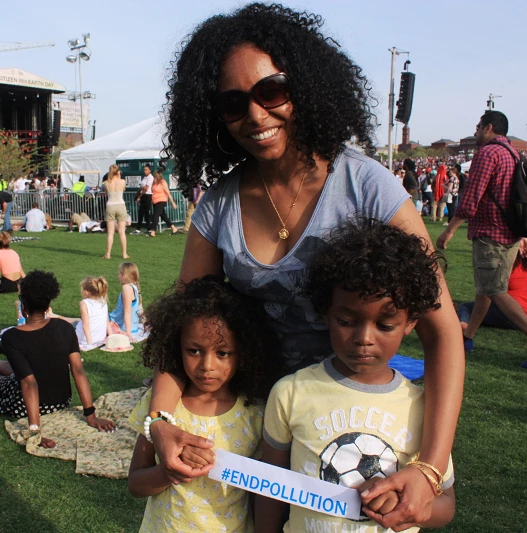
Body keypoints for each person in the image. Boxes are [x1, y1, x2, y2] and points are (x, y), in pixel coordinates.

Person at [151, 6, 464, 529]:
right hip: (258, 426)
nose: (255, 115)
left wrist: (430, 469)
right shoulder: (218, 207)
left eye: (271, 91)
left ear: (305, 85)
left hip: (354, 420)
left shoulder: (367, 187)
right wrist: (160, 423)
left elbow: (442, 330)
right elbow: (179, 330)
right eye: (232, 103)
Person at [256, 220, 455, 532]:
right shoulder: (290, 393)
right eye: (347, 320)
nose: (364, 337)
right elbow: (270, 489)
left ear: (411, 321)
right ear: (326, 313)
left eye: (385, 325)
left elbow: (446, 506)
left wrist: (407, 503)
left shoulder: (424, 407)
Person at [128, 277, 281, 532]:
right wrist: (169, 471)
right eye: (194, 351)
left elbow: (261, 493)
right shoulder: (163, 410)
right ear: (177, 346)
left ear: (245, 352)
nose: (206, 366)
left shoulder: (257, 413)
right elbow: (136, 484)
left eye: (223, 353)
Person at [437, 111, 527, 366]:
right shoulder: (513, 153)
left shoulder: (488, 153)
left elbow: (471, 197)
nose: (476, 130)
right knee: (486, 290)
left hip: (491, 233)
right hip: (510, 233)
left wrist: (450, 229)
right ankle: (468, 336)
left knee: (494, 289)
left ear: (489, 127)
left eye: (479, 126)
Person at [0, 271, 115, 448]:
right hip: (61, 400)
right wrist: (90, 415)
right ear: (48, 304)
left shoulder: (12, 337)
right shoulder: (64, 328)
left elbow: (29, 384)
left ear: (23, 305)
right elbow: (78, 370)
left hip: (24, 403)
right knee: (14, 368)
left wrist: (35, 430)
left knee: (12, 376)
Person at [457, 242, 527, 331]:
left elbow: (488, 295)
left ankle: (464, 323)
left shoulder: (505, 269)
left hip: (511, 315)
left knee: (466, 307)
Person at [51, 277, 110, 351]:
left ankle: (54, 317)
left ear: (86, 292)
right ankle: (54, 315)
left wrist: (89, 344)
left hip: (84, 339)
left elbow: (86, 326)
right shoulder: (103, 301)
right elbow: (107, 322)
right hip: (100, 338)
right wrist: (111, 337)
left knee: (63, 326)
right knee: (78, 321)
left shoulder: (84, 303)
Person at [109, 262, 145, 342]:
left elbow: (127, 313)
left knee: (94, 319)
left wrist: (128, 334)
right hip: (133, 328)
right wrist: (145, 324)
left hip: (119, 325)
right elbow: (140, 310)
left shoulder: (127, 288)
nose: (118, 277)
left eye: (119, 274)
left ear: (124, 275)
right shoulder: (135, 288)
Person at [103, 164, 129, 259]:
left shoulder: (106, 182)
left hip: (110, 206)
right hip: (121, 205)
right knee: (122, 232)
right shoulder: (122, 181)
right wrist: (119, 176)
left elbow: (106, 192)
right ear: (118, 172)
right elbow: (123, 189)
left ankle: (108, 254)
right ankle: (124, 254)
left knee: (110, 233)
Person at [147, 171, 179, 238]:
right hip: (155, 202)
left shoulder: (163, 182)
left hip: (161, 201)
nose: (154, 179)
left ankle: (153, 231)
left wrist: (172, 202)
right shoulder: (154, 183)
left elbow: (168, 192)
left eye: (155, 177)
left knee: (155, 215)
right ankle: (173, 228)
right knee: (163, 216)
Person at [132, 165, 154, 234]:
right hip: (143, 195)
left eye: (146, 170)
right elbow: (142, 187)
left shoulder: (150, 178)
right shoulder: (145, 177)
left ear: (150, 170)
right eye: (144, 170)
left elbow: (145, 188)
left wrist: (139, 197)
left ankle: (148, 228)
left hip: (147, 195)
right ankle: (140, 228)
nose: (145, 171)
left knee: (146, 213)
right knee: (141, 212)